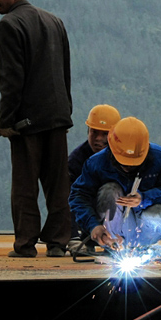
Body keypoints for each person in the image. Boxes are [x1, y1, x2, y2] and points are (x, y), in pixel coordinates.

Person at [0, 0, 73, 258]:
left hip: (26, 122)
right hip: (58, 117)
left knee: (24, 186)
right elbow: (64, 72)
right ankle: (58, 243)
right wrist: (64, 111)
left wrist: (7, 121)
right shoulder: (54, 21)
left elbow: (11, 80)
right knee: (58, 185)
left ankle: (25, 245)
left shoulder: (8, 26)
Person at [69, 117, 161, 258]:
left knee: (156, 213)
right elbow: (79, 196)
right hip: (116, 226)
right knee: (109, 190)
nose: (128, 167)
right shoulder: (96, 163)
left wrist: (144, 198)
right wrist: (93, 225)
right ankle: (113, 245)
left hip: (148, 225)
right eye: (124, 163)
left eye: (134, 163)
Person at [67, 104, 121, 255]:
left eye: (105, 134)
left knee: (111, 190)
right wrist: (74, 237)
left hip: (121, 221)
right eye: (94, 133)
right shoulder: (76, 161)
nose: (98, 139)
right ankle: (86, 239)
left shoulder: (125, 158)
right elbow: (71, 201)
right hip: (87, 224)